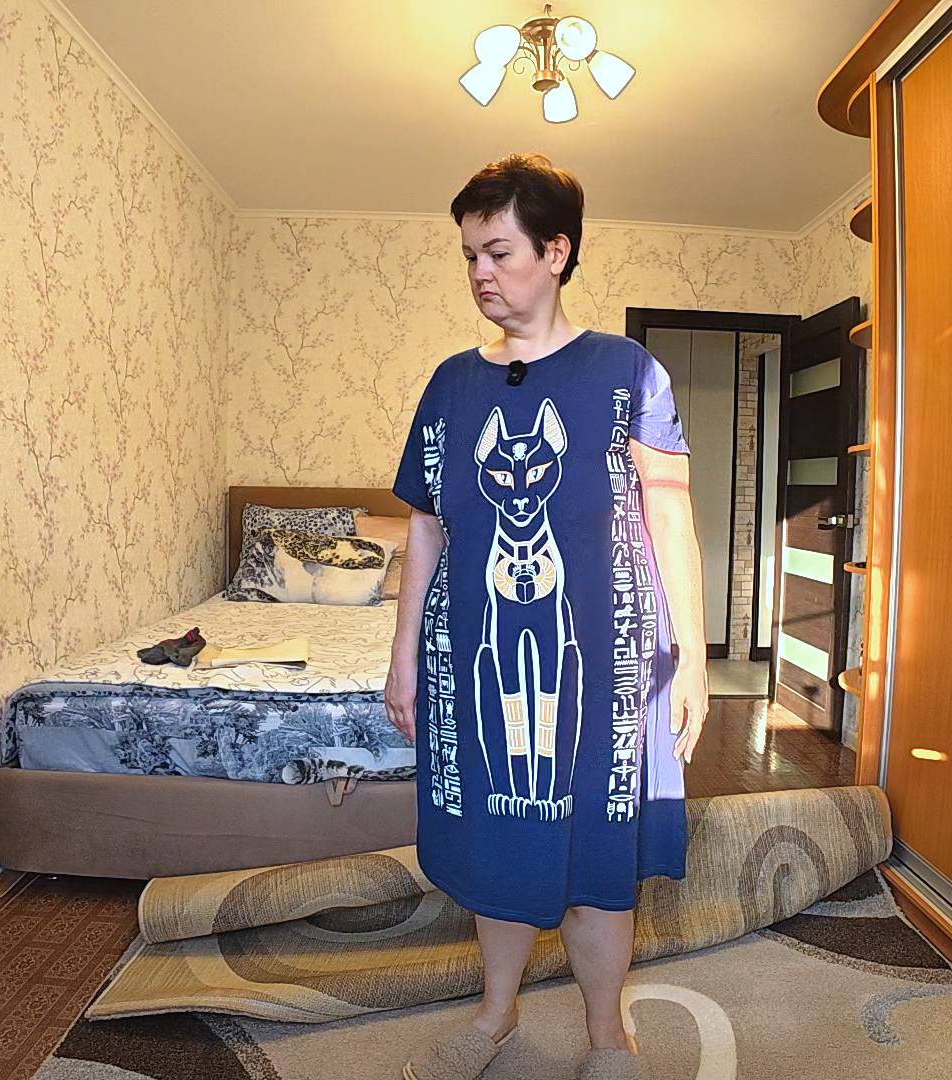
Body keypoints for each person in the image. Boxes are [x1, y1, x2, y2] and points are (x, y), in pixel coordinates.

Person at [385, 153, 709, 1080]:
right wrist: (403, 655)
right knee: (499, 835)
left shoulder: (628, 371)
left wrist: (692, 658)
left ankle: (609, 1035)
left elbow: (670, 513)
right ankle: (496, 1017)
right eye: (469, 256)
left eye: (499, 252)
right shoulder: (450, 384)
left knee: (598, 846)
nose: (480, 273)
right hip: (476, 651)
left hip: (607, 659)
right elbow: (427, 526)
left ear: (556, 252)